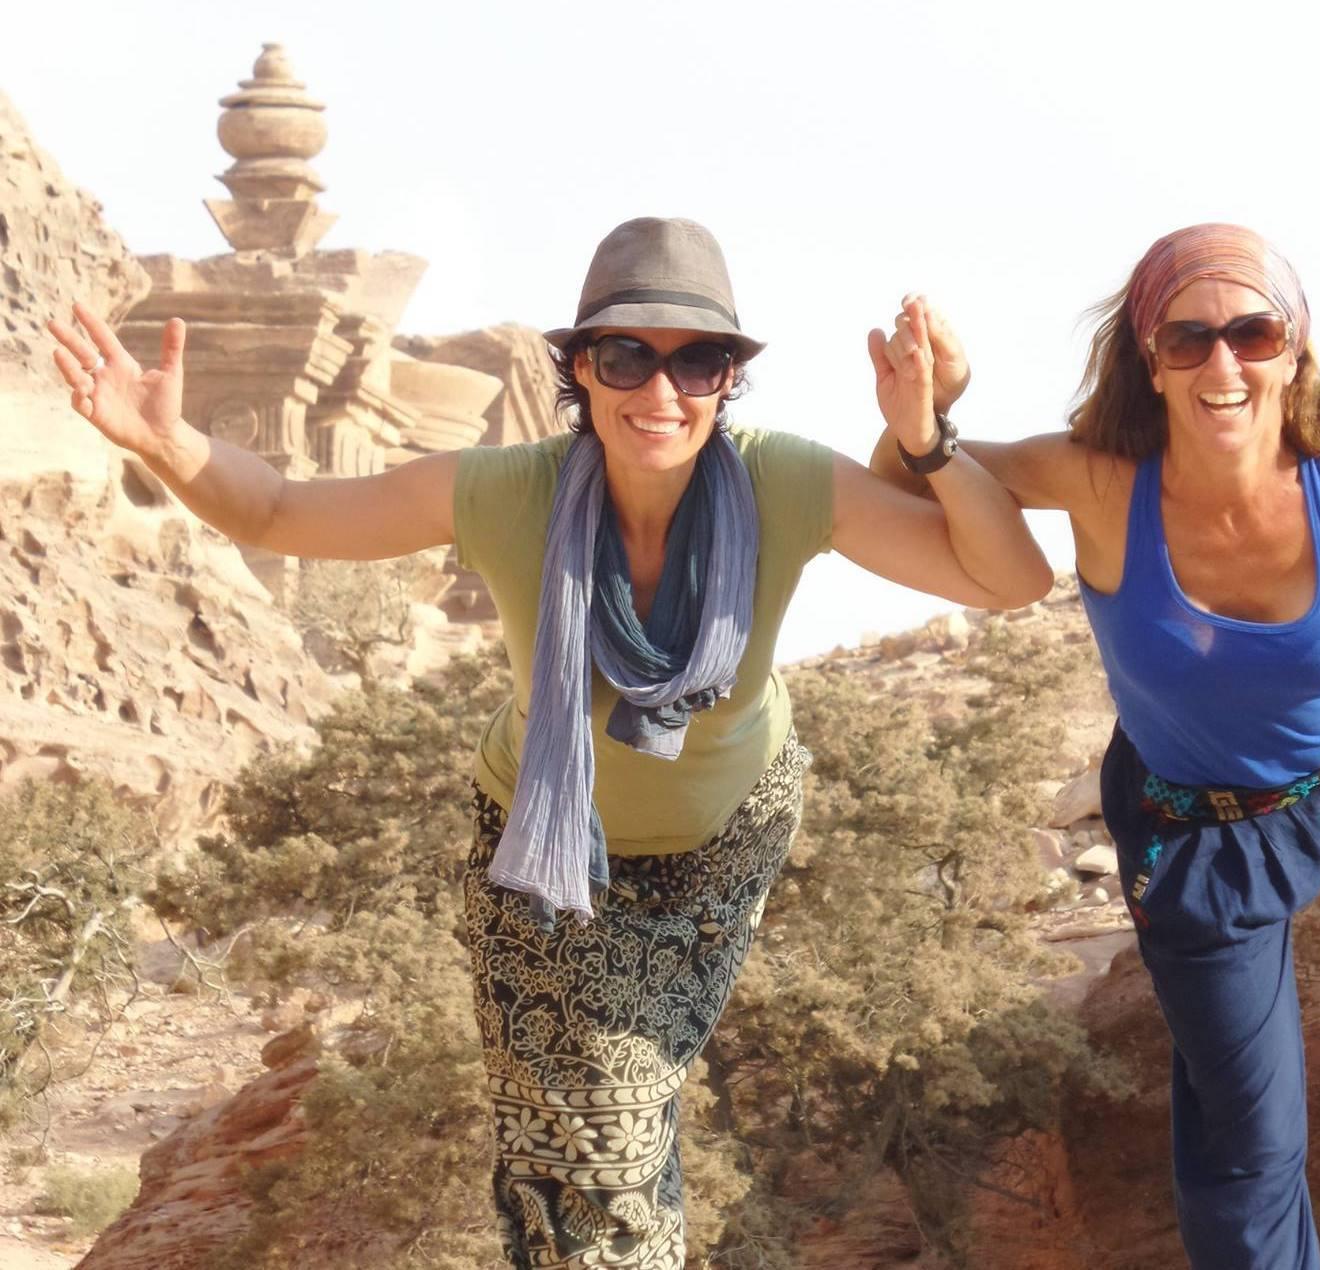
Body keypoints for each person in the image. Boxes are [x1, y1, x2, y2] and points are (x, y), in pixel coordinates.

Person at [47, 215, 1051, 1268]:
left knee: (610, 1115)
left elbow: (1011, 580)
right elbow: (285, 509)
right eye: (626, 356)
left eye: (697, 360)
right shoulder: (505, 490)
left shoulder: (783, 481)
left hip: (720, 846)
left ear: (728, 380)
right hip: (540, 851)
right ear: (579, 367)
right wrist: (165, 440)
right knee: (573, 1142)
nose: (660, 392)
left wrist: (929, 438)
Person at [869, 224, 1320, 1269]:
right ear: (1151, 358)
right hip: (1209, 835)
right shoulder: (1099, 483)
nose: (1225, 364)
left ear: (1294, 349)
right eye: (1190, 339)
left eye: (1253, 334)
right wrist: (930, 419)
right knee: (1245, 1150)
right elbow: (900, 484)